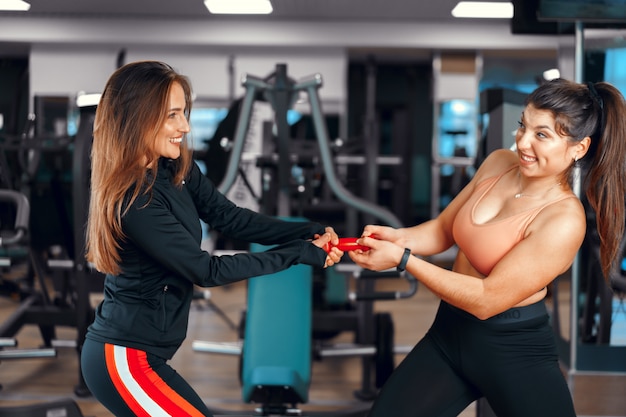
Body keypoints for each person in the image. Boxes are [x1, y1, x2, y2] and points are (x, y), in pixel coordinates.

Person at [80, 60, 343, 417]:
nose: (184, 127)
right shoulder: (134, 199)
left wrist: (304, 229)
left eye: (183, 113)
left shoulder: (175, 170)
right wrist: (297, 254)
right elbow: (205, 270)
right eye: (172, 115)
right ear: (138, 118)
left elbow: (230, 218)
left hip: (145, 353)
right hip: (124, 359)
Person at [350, 78, 626, 417]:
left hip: (512, 349)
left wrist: (404, 260)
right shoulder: (498, 163)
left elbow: (486, 300)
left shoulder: (563, 218)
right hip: (449, 335)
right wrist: (396, 238)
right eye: (522, 126)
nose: (523, 142)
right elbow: (443, 230)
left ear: (579, 148)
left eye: (542, 135)